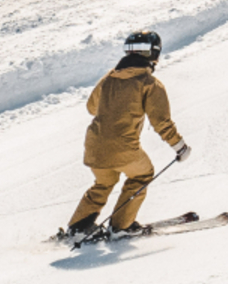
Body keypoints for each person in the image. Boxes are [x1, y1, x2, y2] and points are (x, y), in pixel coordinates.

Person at [63, 30, 190, 238]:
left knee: (103, 183)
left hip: (94, 145)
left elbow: (92, 107)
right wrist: (180, 147)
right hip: (123, 147)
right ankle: (121, 226)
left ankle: (78, 227)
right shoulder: (149, 83)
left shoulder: (109, 77)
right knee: (142, 175)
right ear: (154, 54)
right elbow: (161, 122)